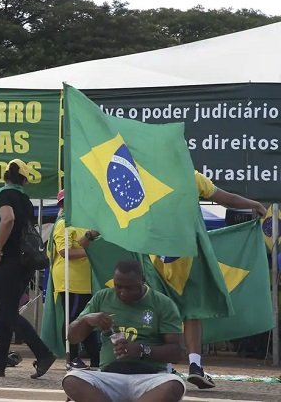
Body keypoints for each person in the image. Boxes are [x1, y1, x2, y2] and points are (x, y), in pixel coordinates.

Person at [179, 170, 267, 389]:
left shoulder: (148, 173)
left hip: (156, 254)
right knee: (193, 311)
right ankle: (195, 365)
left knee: (161, 308)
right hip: (187, 252)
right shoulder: (189, 175)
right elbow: (226, 199)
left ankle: (164, 367)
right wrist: (254, 204)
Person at [63, 260, 186, 402]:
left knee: (174, 386)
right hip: (109, 377)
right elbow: (72, 338)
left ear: (143, 281)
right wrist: (86, 320)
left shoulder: (163, 303)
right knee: (71, 380)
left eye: (129, 288)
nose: (123, 292)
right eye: (118, 286)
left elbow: (178, 353)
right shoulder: (102, 298)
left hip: (150, 378)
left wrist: (142, 350)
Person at [0, 158, 56, 378]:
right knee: (5, 311)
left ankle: (43, 353)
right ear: (25, 180)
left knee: (6, 312)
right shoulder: (25, 199)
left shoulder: (5, 194)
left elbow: (7, 219)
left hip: (8, 260)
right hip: (24, 262)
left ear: (5, 176)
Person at [48, 189, 100, 369]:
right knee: (73, 317)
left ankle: (95, 356)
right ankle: (73, 356)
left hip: (84, 278)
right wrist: (91, 253)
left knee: (86, 317)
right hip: (69, 277)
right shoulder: (63, 223)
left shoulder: (82, 223)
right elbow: (64, 251)